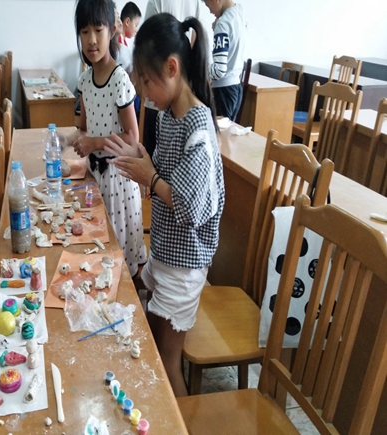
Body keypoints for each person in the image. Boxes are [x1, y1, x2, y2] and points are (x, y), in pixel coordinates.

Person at [104, 13, 225, 397]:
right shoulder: (169, 115)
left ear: (172, 68)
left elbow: (190, 208)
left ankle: (178, 419)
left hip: (185, 264)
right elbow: (161, 168)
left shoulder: (198, 127)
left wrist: (150, 177)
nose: (142, 90)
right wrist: (139, 156)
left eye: (145, 80)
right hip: (165, 252)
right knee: (154, 348)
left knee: (168, 363)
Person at [70, 0, 147, 278]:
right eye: (84, 32)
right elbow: (83, 128)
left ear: (112, 30)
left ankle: (128, 292)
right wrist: (72, 140)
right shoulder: (85, 80)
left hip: (119, 177)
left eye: (98, 30)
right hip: (96, 175)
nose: (91, 40)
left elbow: (132, 138)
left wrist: (95, 143)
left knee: (120, 252)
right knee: (98, 244)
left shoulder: (119, 80)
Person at [141, 0, 203, 157]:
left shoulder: (197, 124)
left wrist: (149, 171)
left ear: (171, 68)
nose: (144, 94)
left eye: (147, 82)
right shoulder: (165, 116)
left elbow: (148, 50)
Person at [203, 0, 246, 120]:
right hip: (236, 87)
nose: (210, 11)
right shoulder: (240, 11)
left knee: (219, 131)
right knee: (228, 130)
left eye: (208, 5)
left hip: (223, 91)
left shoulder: (223, 23)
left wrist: (201, 69)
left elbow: (219, 70)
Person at [117, 2, 141, 74]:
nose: (136, 30)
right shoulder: (118, 41)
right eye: (136, 25)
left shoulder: (123, 41)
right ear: (127, 22)